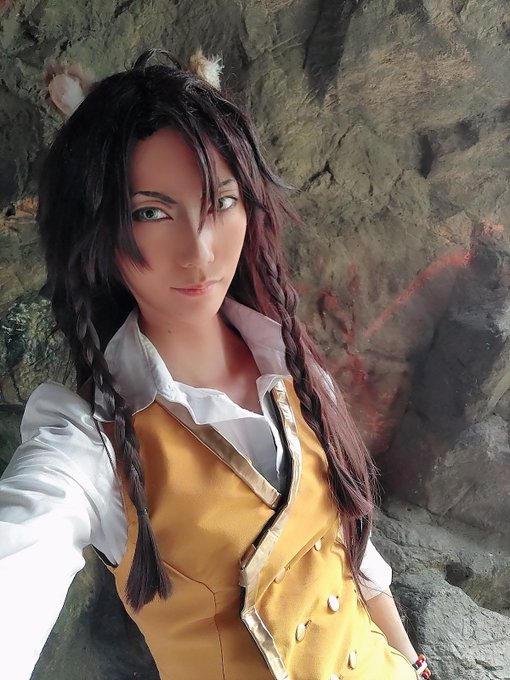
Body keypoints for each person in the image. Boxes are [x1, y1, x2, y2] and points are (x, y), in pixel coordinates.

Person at [0, 49, 429, 680]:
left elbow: (354, 556)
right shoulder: (90, 445)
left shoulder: (294, 367)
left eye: (220, 201)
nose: (199, 251)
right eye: (150, 212)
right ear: (97, 231)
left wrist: (417, 664)